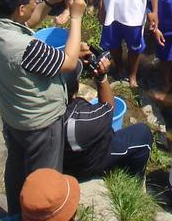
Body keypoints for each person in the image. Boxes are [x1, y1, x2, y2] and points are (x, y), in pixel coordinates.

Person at [0, 0, 86, 217]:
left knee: (16, 169)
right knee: (43, 183)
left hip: (13, 115)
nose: (36, 3)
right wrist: (76, 17)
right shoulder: (24, 48)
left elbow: (27, 22)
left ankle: (15, 213)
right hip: (40, 123)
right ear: (20, 8)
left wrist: (49, 0)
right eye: (33, 1)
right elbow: (69, 62)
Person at [61, 45, 155, 182]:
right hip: (86, 165)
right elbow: (108, 108)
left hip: (63, 157)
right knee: (143, 133)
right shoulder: (80, 122)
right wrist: (102, 78)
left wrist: (75, 59)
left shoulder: (40, 109)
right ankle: (135, 179)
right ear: (73, 93)